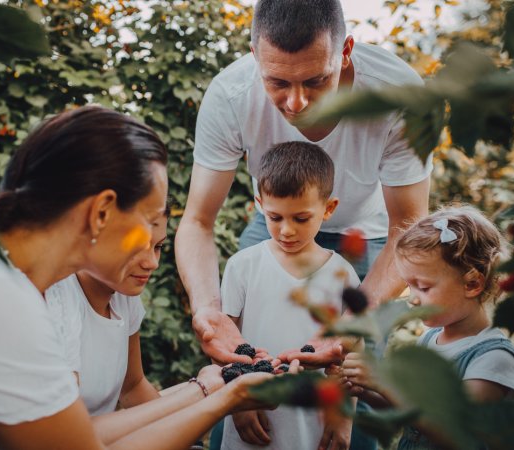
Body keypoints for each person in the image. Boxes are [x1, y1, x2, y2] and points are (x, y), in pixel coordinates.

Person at [0, 106, 281, 450]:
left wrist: (218, 387)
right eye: (153, 220)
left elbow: (84, 432)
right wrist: (228, 398)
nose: (156, 242)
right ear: (101, 212)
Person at [175, 0, 431, 368]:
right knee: (241, 367)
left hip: (368, 238)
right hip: (273, 224)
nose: (296, 103)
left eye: (316, 81)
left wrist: (354, 320)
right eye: (277, 82)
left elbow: (407, 226)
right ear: (254, 56)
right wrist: (208, 308)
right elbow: (198, 221)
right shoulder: (230, 96)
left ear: (345, 53)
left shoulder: (400, 96)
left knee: (353, 374)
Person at [340, 206, 514, 449]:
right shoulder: (430, 339)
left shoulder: (494, 359)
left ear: (472, 283)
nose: (412, 299)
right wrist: (367, 391)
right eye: (410, 285)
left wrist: (385, 383)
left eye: (424, 287)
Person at [219, 142, 360, 450]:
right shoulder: (242, 266)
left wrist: (343, 416)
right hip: (251, 415)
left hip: (310, 424)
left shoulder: (344, 275)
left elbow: (347, 356)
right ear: (259, 204)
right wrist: (237, 403)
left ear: (329, 208)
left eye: (300, 218)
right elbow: (224, 345)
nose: (285, 231)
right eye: (275, 217)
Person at [44, 207, 170, 413]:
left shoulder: (125, 294)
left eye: (159, 246)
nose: (152, 263)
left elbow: (133, 387)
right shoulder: (58, 301)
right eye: (138, 246)